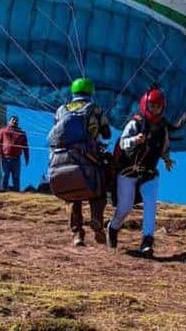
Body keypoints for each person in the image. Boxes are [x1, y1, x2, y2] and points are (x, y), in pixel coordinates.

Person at [106, 84, 175, 257]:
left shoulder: (162, 128)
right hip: (128, 172)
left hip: (149, 173)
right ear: (145, 105)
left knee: (150, 205)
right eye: (152, 106)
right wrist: (135, 140)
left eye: (158, 106)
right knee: (125, 208)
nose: (155, 109)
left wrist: (166, 158)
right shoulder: (135, 123)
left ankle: (147, 240)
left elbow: (164, 147)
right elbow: (123, 143)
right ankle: (113, 227)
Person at [49, 78, 111, 247]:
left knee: (72, 196)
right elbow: (107, 134)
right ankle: (97, 221)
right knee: (99, 191)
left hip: (60, 159)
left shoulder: (61, 110)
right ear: (91, 92)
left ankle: (77, 234)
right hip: (86, 158)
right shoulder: (94, 109)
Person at [0, 115, 29, 191]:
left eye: (16, 120)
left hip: (16, 158)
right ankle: (4, 190)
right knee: (6, 174)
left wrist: (27, 157)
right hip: (6, 157)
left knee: (16, 176)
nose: (15, 121)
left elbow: (25, 146)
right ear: (9, 121)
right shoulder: (3, 131)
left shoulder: (21, 133)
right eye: (13, 120)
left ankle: (16, 190)